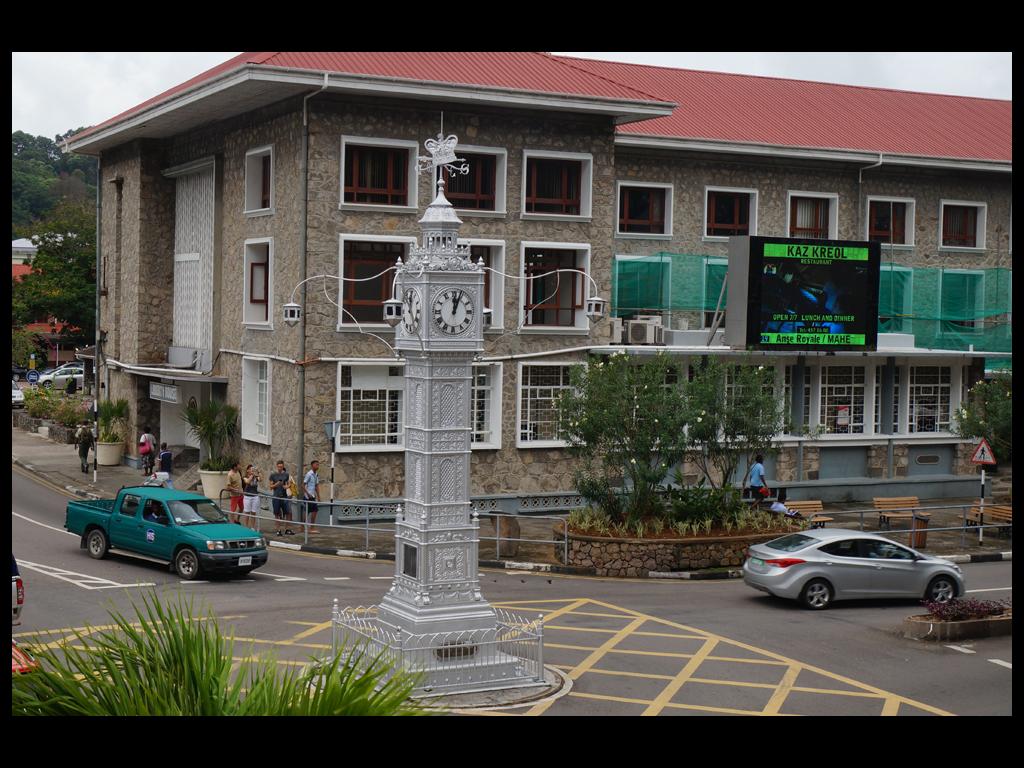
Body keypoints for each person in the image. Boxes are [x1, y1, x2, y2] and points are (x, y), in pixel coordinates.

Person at [268, 460, 293, 536]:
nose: (280, 468)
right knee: (277, 514)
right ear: (277, 466)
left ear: (283, 466)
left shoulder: (286, 474)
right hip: (276, 497)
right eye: (279, 466)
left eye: (281, 467)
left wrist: (287, 486)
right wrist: (277, 484)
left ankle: (287, 529)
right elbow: (271, 487)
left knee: (288, 513)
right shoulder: (273, 475)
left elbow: (289, 484)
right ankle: (278, 530)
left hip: (284, 497)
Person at [303, 460, 321, 533]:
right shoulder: (309, 474)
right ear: (312, 465)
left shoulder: (316, 474)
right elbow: (303, 485)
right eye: (316, 465)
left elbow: (316, 486)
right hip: (308, 496)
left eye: (318, 465)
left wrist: (319, 496)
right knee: (312, 511)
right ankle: (310, 528)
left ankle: (304, 527)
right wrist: (307, 493)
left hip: (312, 496)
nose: (318, 466)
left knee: (310, 511)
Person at [242, 464, 261, 529]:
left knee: (253, 512)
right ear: (247, 470)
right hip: (247, 497)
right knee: (247, 512)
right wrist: (252, 475)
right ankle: (246, 527)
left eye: (252, 469)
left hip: (255, 496)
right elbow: (247, 482)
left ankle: (252, 527)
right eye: (250, 469)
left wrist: (259, 472)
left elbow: (260, 479)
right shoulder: (245, 477)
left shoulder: (256, 477)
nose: (251, 470)